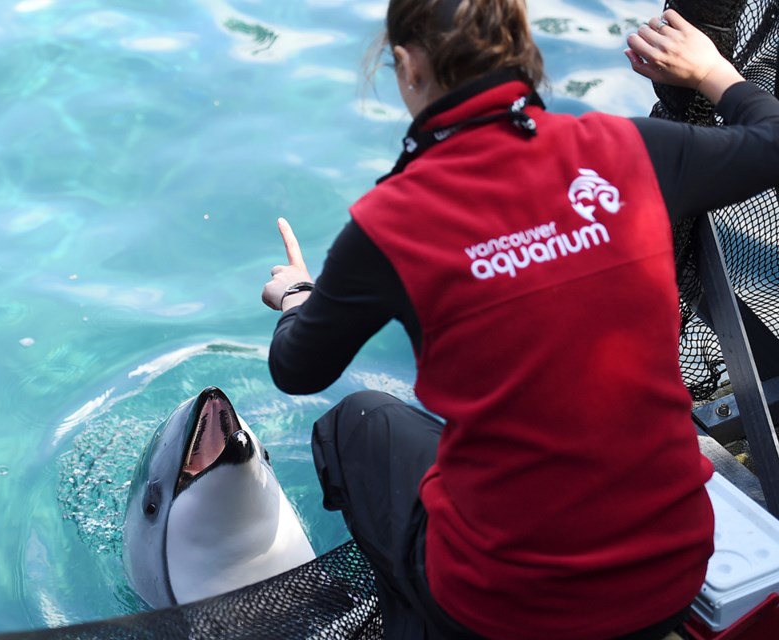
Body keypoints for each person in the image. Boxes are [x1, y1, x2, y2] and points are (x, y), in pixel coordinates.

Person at [261, 1, 779, 638]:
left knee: (358, 424)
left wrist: (298, 293)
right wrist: (710, 73)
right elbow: (771, 143)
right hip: (673, 578)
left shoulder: (393, 220)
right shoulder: (628, 149)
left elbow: (295, 368)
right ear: (521, 49)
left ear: (404, 65)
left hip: (504, 609)